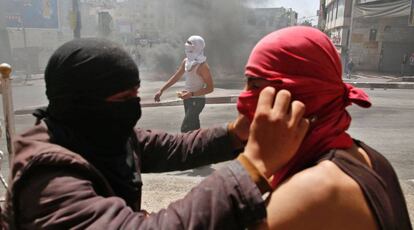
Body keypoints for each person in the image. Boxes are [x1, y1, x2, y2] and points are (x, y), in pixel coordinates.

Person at [2, 38, 310, 229]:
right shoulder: (48, 178)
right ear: (80, 103)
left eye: (136, 95)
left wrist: (236, 134)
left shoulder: (104, 136)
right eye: (123, 99)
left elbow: (176, 147)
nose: (133, 106)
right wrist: (251, 168)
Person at [235, 26, 412, 229]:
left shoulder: (308, 193)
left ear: (299, 96)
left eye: (255, 85)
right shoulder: (368, 157)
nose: (242, 99)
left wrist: (252, 165)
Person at [154, 35, 213, 132]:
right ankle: (199, 146)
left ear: (198, 48)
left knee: (185, 128)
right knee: (193, 129)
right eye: (187, 48)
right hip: (187, 99)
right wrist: (161, 90)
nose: (188, 51)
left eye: (191, 49)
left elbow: (210, 88)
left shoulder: (203, 66)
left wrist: (191, 94)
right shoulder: (186, 61)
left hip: (197, 101)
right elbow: (176, 77)